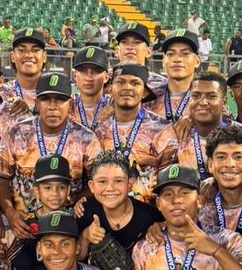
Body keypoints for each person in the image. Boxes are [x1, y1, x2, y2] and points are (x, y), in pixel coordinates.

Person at [0, 72, 102, 240]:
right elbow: (0, 181)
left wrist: (79, 200)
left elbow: (98, 182)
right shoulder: (17, 133)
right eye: (46, 99)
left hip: (68, 229)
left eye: (59, 99)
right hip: (25, 228)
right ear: (36, 103)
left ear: (70, 103)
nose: (53, 106)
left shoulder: (86, 138)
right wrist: (11, 214)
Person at [92, 63, 175, 202]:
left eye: (135, 83)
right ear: (111, 89)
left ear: (145, 92)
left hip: (150, 213)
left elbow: (170, 179)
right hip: (108, 210)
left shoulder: (162, 129)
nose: (127, 87)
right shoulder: (100, 131)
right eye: (120, 82)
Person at [76, 151, 162, 270]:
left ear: (129, 185)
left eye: (118, 181)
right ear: (92, 186)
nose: (110, 188)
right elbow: (76, 257)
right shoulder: (85, 210)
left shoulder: (149, 216)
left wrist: (160, 226)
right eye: (102, 181)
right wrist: (85, 236)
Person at [174, 73, 242, 181]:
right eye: (196, 96)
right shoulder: (178, 136)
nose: (202, 102)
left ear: (224, 102)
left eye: (211, 96)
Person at [8, 154, 73, 270]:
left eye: (61, 187)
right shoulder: (27, 224)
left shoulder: (76, 217)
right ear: (36, 191)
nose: (55, 193)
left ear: (69, 189)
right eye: (47, 188)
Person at [147, 29, 200, 125]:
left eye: (185, 54)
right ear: (163, 61)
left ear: (197, 61)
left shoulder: (208, 100)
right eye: (171, 54)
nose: (177, 59)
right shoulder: (149, 97)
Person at [0, 28, 47, 112]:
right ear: (12, 56)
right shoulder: (0, 94)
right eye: (22, 50)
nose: (29, 55)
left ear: (44, 56)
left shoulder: (55, 94)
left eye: (35, 50)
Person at [114, 22, 167, 90]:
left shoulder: (162, 85)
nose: (130, 47)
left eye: (137, 42)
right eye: (124, 42)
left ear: (148, 52)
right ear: (116, 51)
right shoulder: (104, 80)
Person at [70, 46, 111, 130]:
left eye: (96, 71)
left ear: (106, 77)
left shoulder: (114, 106)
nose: (89, 78)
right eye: (83, 70)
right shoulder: (66, 105)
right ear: (74, 75)